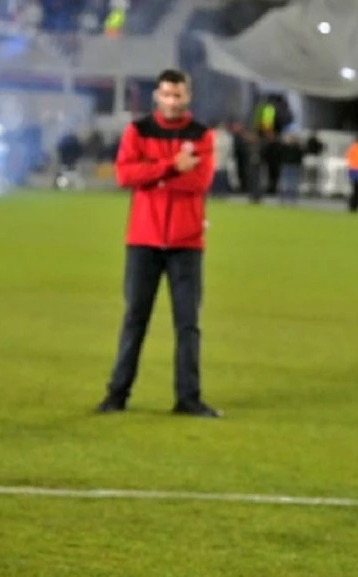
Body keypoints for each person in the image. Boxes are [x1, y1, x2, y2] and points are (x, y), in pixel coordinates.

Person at [96, 69, 219, 418]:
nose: (172, 101)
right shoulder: (137, 130)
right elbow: (124, 175)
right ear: (157, 96)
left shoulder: (202, 134)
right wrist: (170, 166)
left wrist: (154, 174)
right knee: (135, 318)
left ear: (187, 96)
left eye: (178, 95)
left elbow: (198, 181)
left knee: (188, 324)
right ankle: (117, 394)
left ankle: (188, 398)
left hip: (186, 241)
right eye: (166, 94)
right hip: (144, 240)